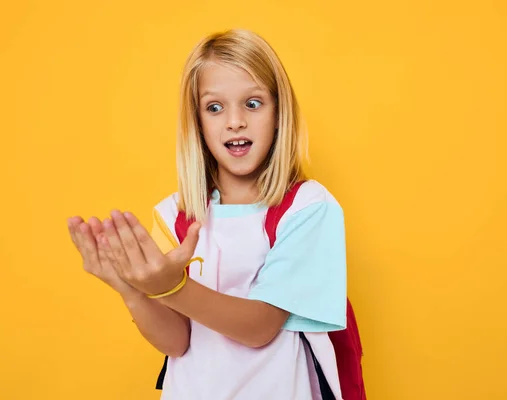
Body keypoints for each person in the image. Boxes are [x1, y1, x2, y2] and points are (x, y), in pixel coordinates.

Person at [67, 28, 347, 399]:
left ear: (280, 113)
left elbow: (260, 326)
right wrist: (131, 289)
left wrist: (171, 287)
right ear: (197, 122)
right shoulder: (175, 214)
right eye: (214, 107)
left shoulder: (308, 207)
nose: (235, 121)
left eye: (253, 103)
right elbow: (176, 342)